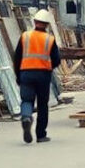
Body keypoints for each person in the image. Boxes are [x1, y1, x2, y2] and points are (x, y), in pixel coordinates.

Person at [14, 9, 61, 144]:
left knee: (27, 100)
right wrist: (48, 67)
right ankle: (40, 135)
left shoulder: (25, 36)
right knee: (42, 105)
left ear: (34, 22)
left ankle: (26, 117)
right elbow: (56, 60)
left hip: (26, 73)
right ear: (46, 24)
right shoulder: (50, 39)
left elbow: (17, 58)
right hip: (42, 75)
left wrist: (18, 75)